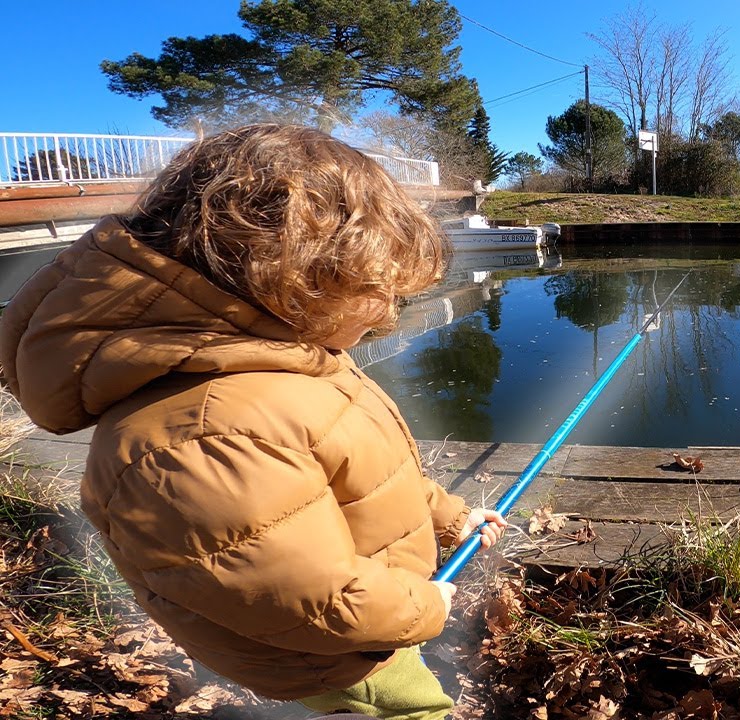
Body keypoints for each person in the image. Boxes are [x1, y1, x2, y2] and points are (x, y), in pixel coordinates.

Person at [0, 124, 506, 719]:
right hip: (330, 655)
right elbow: (302, 601)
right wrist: (426, 607)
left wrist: (451, 515)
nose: (392, 315)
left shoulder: (290, 359)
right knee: (414, 709)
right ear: (291, 278)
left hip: (370, 618)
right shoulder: (203, 434)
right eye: (377, 289)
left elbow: (369, 473)